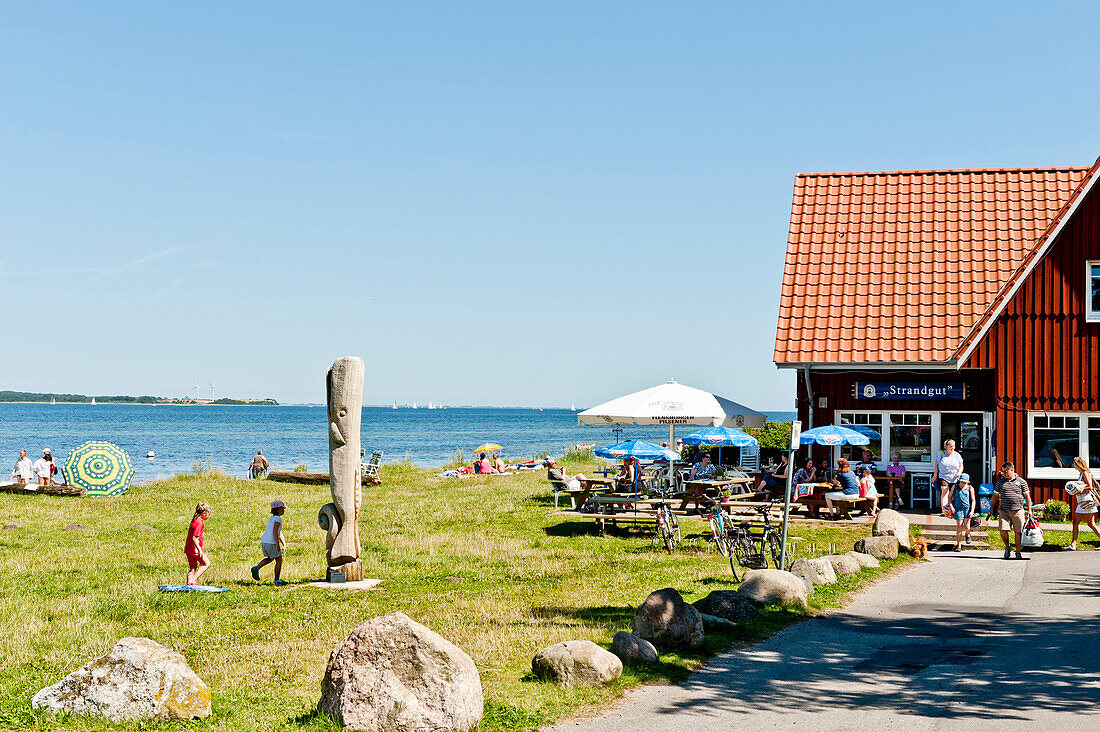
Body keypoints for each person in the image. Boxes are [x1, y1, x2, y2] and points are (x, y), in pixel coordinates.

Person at [990, 461, 1034, 560]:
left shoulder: (1021, 482)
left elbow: (1027, 496)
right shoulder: (1000, 482)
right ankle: (1007, 547)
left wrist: (1029, 510)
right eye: (1002, 472)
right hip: (1004, 511)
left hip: (1018, 510)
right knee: (1002, 530)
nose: (1004, 473)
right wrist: (991, 508)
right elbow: (995, 496)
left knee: (1018, 532)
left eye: (1006, 471)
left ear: (1012, 470)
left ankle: (1018, 552)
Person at [1067, 456, 1100, 551]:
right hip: (1083, 502)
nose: (1073, 465)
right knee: (1084, 523)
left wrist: (1077, 491)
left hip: (1087, 502)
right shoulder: (1082, 473)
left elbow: (1090, 487)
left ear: (1078, 464)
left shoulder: (1085, 473)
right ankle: (1073, 544)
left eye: (1074, 464)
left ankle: (1073, 544)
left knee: (1082, 523)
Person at [251, 500, 288, 584]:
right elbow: (275, 532)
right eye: (282, 508)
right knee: (279, 560)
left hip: (265, 542)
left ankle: (256, 568)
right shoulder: (278, 519)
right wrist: (277, 544)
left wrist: (284, 543)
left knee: (270, 558)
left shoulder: (272, 519)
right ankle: (277, 580)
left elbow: (279, 532)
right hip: (272, 543)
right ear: (278, 509)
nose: (284, 510)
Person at [932, 439, 964, 517]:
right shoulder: (941, 453)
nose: (952, 447)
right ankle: (944, 510)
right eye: (951, 446)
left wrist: (959, 473)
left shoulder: (957, 455)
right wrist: (935, 475)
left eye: (953, 446)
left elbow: (961, 465)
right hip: (943, 476)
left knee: (953, 494)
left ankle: (952, 510)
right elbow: (936, 465)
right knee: (945, 491)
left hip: (954, 477)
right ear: (946, 446)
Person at [185, 502, 213, 585]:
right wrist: (199, 549)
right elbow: (194, 538)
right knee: (206, 563)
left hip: (188, 549)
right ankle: (193, 580)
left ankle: (189, 586)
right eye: (209, 514)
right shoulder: (199, 523)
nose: (209, 516)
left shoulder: (194, 520)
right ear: (204, 513)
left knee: (193, 568)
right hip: (195, 550)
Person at [950, 474, 976, 551]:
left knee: (967, 527)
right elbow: (950, 497)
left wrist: (972, 511)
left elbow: (973, 500)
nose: (962, 484)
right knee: (959, 528)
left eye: (964, 482)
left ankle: (968, 534)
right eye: (961, 482)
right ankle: (958, 546)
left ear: (967, 482)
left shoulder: (970, 488)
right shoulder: (955, 487)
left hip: (966, 509)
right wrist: (951, 506)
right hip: (958, 509)